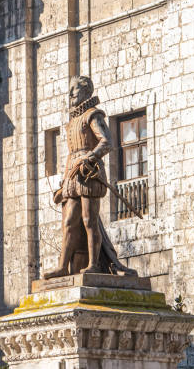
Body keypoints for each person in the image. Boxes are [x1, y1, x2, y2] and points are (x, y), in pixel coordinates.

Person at [44, 76, 136, 279]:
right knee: (69, 222)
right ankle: (62, 266)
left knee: (89, 220)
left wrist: (89, 157)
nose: (70, 95)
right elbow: (71, 153)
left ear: (86, 92)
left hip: (89, 173)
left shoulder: (93, 116)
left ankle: (94, 264)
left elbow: (107, 142)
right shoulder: (73, 120)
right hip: (73, 174)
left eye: (74, 91)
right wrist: (64, 180)